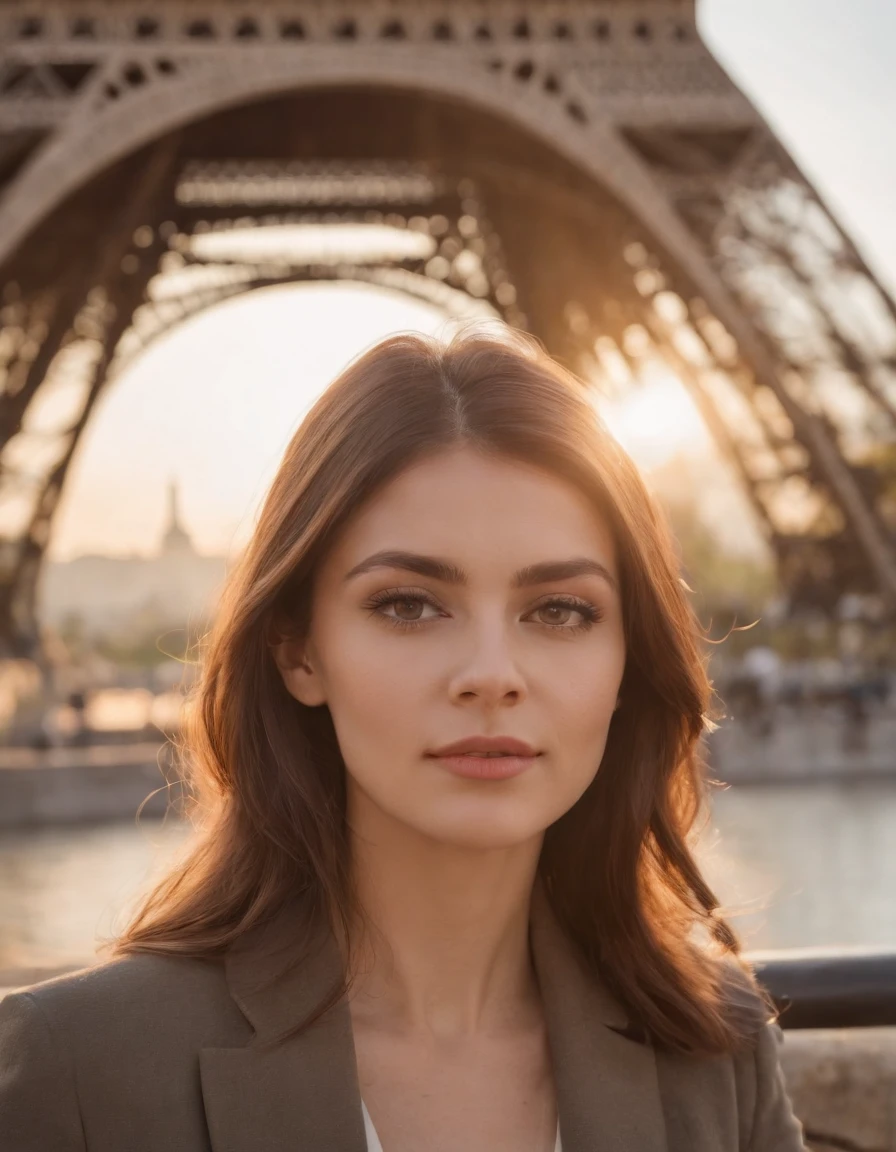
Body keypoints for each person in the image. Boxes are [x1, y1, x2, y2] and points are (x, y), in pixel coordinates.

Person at [0, 324, 807, 1151]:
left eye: (560, 610)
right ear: (299, 653)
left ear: (629, 663)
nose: (492, 674)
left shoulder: (720, 1048)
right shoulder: (80, 1073)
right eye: (409, 605)